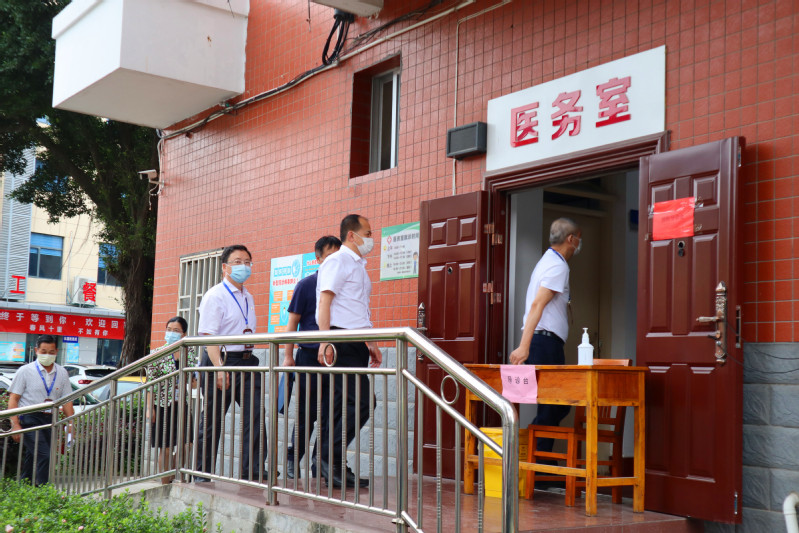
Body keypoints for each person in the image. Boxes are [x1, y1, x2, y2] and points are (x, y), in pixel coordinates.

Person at [316, 214, 382, 489]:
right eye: (368, 233)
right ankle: (327, 458)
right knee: (363, 402)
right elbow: (325, 301)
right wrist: (325, 342)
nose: (371, 239)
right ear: (352, 235)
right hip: (339, 340)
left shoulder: (358, 266)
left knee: (342, 405)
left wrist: (371, 342)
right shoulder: (338, 261)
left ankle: (333, 463)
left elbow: (358, 309)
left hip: (355, 341)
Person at [509, 217, 582, 459]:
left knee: (553, 405)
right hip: (545, 343)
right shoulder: (558, 266)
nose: (579, 244)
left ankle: (537, 461)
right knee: (554, 405)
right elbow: (537, 305)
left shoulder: (547, 261)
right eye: (578, 239)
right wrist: (524, 347)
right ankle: (538, 462)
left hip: (544, 341)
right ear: (570, 239)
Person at [195, 244, 262, 481]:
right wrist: (219, 368)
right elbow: (208, 336)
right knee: (212, 419)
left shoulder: (248, 296)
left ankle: (252, 470)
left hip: (247, 361)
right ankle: (202, 473)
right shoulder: (215, 295)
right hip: (221, 360)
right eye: (237, 262)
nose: (244, 266)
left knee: (255, 415)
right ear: (225, 267)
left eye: (247, 262)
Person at [282, 235, 341, 479]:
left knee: (331, 413)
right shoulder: (306, 285)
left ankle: (321, 463)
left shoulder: (342, 285)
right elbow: (292, 324)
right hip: (308, 356)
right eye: (330, 256)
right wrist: (288, 356)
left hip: (336, 358)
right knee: (307, 412)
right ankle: (293, 457)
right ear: (318, 258)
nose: (335, 261)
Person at [7, 335, 74, 485]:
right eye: (43, 351)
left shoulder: (62, 372)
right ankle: (42, 489)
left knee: (34, 454)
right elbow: (14, 399)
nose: (47, 355)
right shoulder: (25, 371)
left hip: (51, 419)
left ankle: (25, 485)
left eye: (51, 352)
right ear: (36, 350)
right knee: (45, 454)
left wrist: (71, 424)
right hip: (30, 418)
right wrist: (15, 424)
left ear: (57, 351)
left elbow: (67, 401)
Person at [145, 316, 198, 484]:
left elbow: (193, 381)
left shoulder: (188, 352)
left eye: (176, 330)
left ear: (184, 334)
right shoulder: (157, 353)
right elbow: (150, 383)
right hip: (162, 405)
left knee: (187, 444)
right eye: (169, 330)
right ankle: (164, 483)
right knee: (166, 447)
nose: (171, 333)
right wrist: (150, 408)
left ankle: (174, 472)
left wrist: (195, 379)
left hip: (181, 404)